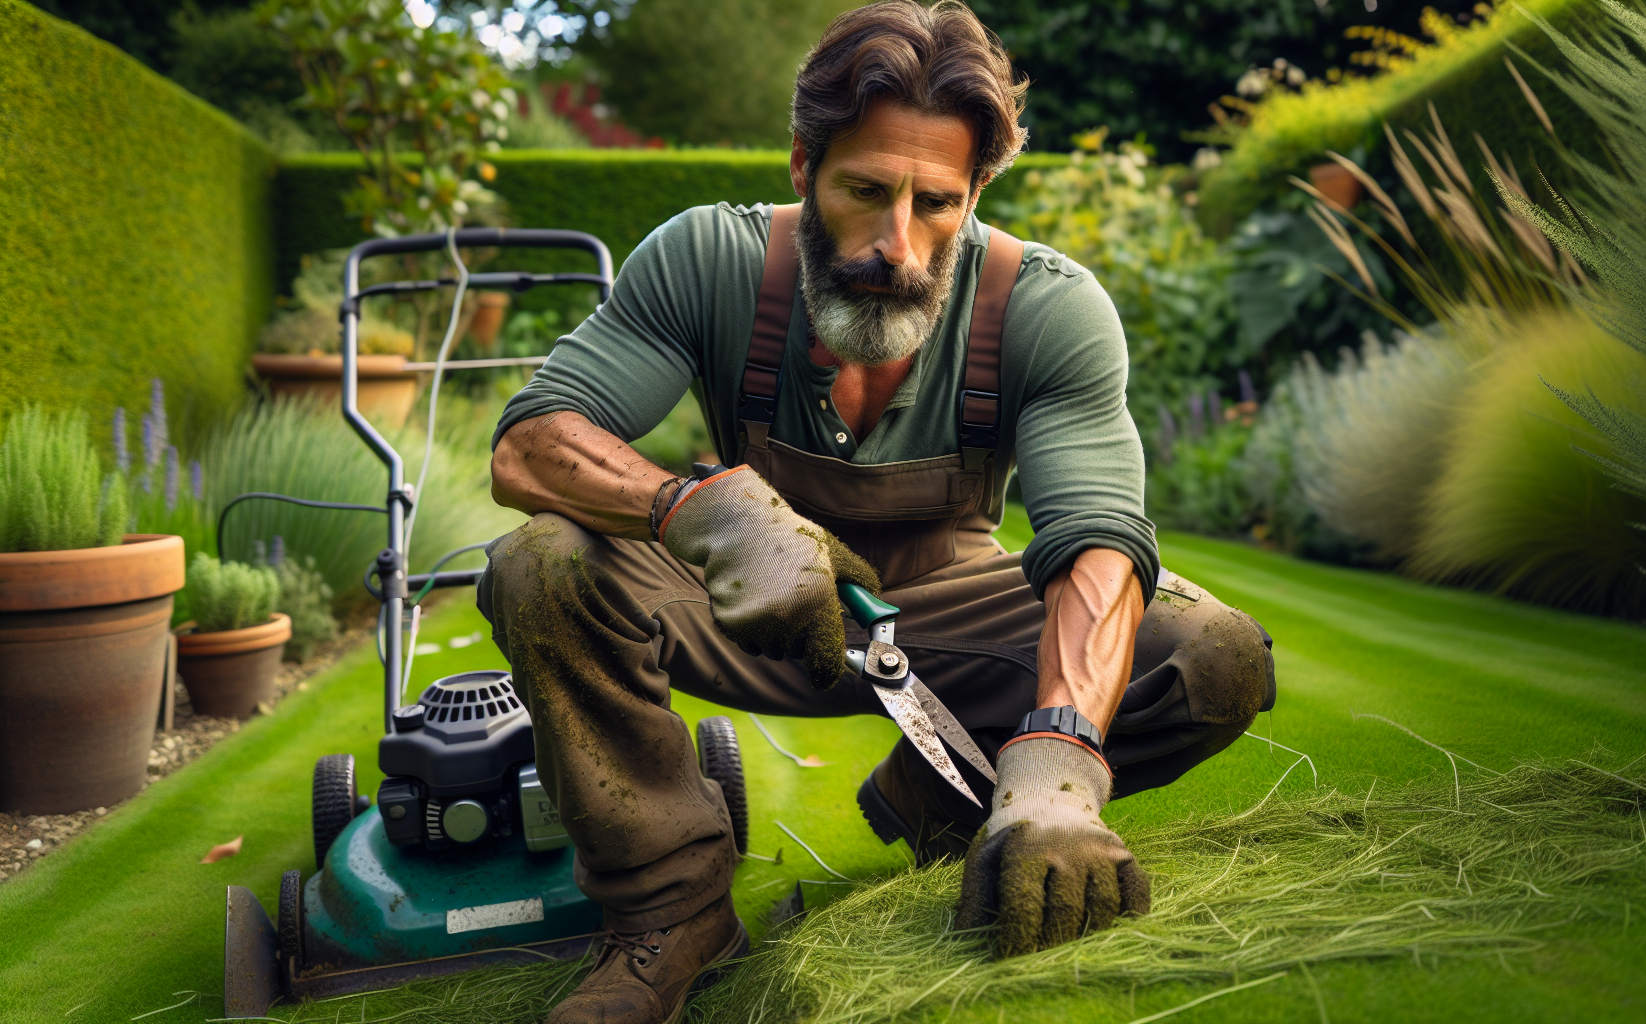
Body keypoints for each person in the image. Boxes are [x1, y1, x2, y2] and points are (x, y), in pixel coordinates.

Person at [479, 2, 1274, 1021]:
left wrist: (1061, 761)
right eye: (865, 191)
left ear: (978, 188)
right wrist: (705, 512)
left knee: (1214, 656)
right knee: (537, 560)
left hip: (948, 607)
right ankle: (669, 915)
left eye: (936, 202)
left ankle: (953, 794)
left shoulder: (1047, 307)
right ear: (803, 165)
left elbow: (1099, 546)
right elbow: (531, 444)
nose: (897, 244)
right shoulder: (709, 261)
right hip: (739, 599)